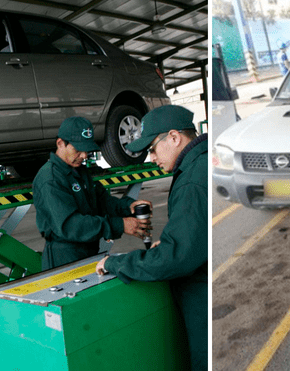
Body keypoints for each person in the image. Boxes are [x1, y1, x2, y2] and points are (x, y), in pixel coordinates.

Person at [95, 105, 208, 371]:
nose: (151, 158)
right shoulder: (199, 164)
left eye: (153, 149)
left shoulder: (192, 180)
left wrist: (116, 263)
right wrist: (172, 240)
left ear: (174, 137)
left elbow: (175, 259)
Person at [33, 116, 152, 270]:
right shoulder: (50, 179)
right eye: (78, 150)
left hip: (87, 253)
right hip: (64, 259)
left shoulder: (80, 171)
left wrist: (129, 206)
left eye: (86, 150)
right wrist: (119, 225)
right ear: (60, 144)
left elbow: (102, 201)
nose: (83, 156)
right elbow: (72, 226)